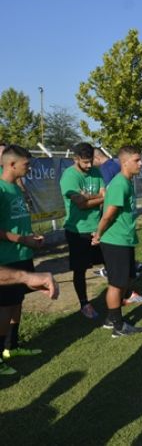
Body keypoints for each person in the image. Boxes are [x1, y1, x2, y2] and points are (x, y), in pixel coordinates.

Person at [92, 146, 142, 337]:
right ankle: (118, 326)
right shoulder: (119, 184)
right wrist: (98, 234)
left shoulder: (127, 182)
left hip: (125, 239)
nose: (141, 163)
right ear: (125, 162)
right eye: (137, 160)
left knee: (124, 280)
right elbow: (108, 215)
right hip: (115, 241)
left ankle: (111, 319)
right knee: (116, 284)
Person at [0, 145, 44, 370]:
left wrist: (30, 238)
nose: (29, 167)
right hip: (6, 258)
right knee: (5, 306)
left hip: (22, 253)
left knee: (17, 301)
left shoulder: (15, 188)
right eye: (26, 164)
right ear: (11, 164)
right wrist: (21, 239)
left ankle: (12, 345)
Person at [60, 143, 106, 319]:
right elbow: (79, 202)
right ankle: (84, 303)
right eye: (85, 162)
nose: (89, 166)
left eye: (91, 161)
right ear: (76, 159)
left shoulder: (95, 171)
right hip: (77, 231)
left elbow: (104, 193)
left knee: (109, 261)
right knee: (80, 269)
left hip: (98, 228)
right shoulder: (69, 176)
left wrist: (89, 197)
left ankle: (122, 294)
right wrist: (99, 197)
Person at [0, 267, 58, 375]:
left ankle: (11, 347)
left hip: (16, 261)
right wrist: (26, 277)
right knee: (6, 306)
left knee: (16, 302)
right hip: (5, 261)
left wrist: (26, 278)